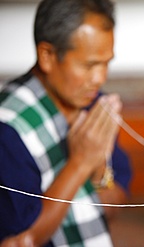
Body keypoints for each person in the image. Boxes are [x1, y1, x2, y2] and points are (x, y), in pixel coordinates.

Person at [0, 0, 132, 246]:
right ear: (47, 56)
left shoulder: (93, 104)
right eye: (89, 65)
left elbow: (110, 207)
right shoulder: (7, 130)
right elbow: (17, 242)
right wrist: (80, 163)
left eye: (107, 63)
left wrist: (99, 169)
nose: (100, 78)